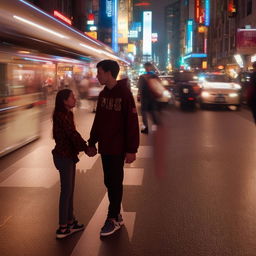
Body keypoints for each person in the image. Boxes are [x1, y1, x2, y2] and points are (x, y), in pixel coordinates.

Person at [87, 60, 139, 237]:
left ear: (109, 73)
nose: (97, 75)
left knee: (115, 182)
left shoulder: (124, 94)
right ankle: (116, 214)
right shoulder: (103, 95)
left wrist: (132, 149)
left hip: (118, 147)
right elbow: (99, 120)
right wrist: (91, 142)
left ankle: (112, 218)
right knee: (109, 181)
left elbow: (132, 122)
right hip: (105, 147)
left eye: (99, 72)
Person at [52, 89, 89, 239]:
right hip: (63, 157)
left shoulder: (68, 114)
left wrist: (84, 147)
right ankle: (63, 227)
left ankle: (70, 221)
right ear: (64, 101)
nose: (75, 99)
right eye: (72, 97)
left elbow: (72, 135)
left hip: (68, 156)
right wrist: (86, 148)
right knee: (66, 192)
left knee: (70, 191)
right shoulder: (61, 116)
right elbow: (72, 135)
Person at [137, 62, 160, 134]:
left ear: (145, 67)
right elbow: (159, 86)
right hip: (152, 97)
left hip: (145, 98)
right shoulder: (154, 76)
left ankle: (146, 128)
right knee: (153, 112)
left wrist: (139, 95)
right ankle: (156, 127)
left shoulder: (142, 77)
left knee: (144, 113)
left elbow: (140, 88)